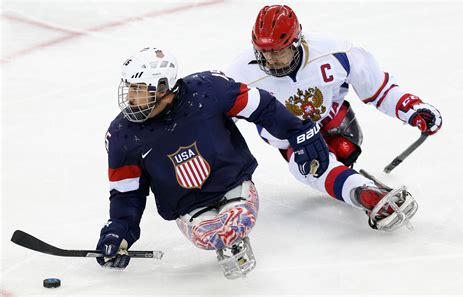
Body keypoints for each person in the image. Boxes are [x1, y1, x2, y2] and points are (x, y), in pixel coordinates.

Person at [95, 47, 329, 279]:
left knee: (232, 226)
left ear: (163, 88)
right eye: (130, 88)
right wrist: (120, 230)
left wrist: (299, 132)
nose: (130, 98)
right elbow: (126, 194)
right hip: (189, 208)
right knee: (215, 235)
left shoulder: (208, 90)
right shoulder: (122, 135)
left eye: (138, 90)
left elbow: (262, 106)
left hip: (233, 187)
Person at [227, 5, 442, 231]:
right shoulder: (239, 75)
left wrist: (412, 108)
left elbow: (379, 89)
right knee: (309, 165)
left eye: (277, 51)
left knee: (344, 149)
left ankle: (354, 181)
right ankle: (364, 194)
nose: (269, 59)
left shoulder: (335, 51)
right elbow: (220, 123)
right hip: (292, 139)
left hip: (333, 122)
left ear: (296, 42)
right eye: (263, 51)